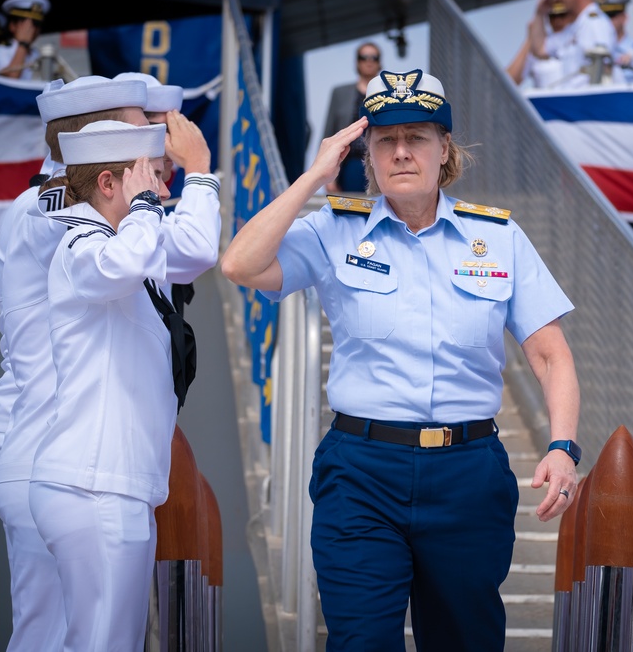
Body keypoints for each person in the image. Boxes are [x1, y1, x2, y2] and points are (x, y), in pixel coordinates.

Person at [221, 68, 581, 651]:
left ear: (445, 150)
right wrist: (314, 175)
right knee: (360, 642)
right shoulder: (334, 228)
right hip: (361, 471)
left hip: (468, 474)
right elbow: (238, 264)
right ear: (367, 152)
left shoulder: (498, 238)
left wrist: (563, 446)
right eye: (386, 139)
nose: (402, 151)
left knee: (465, 642)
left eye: (417, 136)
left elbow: (550, 355)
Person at [0, 75, 219, 652]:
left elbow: (190, 252)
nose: (157, 145)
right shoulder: (46, 209)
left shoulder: (105, 211)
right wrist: (146, 194)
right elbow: (117, 256)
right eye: (142, 129)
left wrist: (195, 178)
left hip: (91, 459)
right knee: (48, 637)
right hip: (56, 453)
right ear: (97, 142)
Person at [529, 0, 619, 88]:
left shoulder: (594, 23)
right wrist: (540, 13)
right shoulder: (573, 28)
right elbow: (540, 49)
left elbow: (602, 74)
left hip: (586, 101)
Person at [323, 41, 381, 193]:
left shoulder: (386, 95)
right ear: (357, 62)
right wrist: (328, 178)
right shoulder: (340, 93)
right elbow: (329, 131)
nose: (369, 61)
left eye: (374, 58)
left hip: (380, 163)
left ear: (379, 62)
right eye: (364, 57)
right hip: (350, 164)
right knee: (349, 211)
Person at [506, 0, 574, 88]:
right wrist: (531, 39)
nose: (558, 21)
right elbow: (509, 81)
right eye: (552, 16)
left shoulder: (581, 37)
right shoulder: (541, 43)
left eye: (562, 15)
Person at [0, 0, 50, 80]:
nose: (32, 29)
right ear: (12, 26)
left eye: (37, 24)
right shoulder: (0, 50)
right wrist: (23, 44)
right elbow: (11, 77)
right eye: (27, 24)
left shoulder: (37, 54)